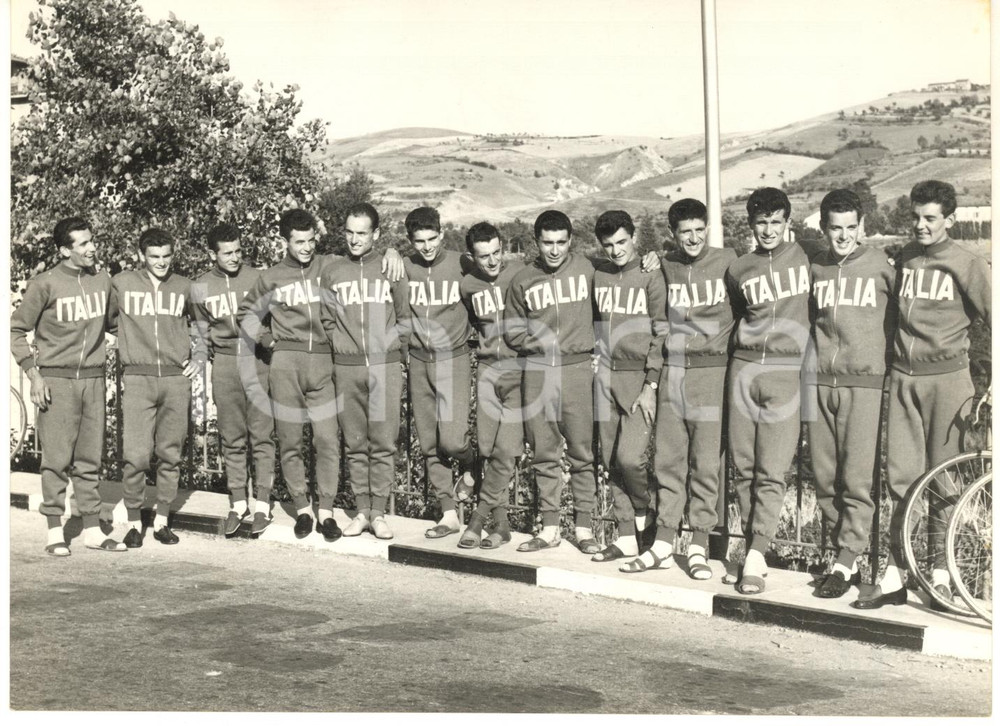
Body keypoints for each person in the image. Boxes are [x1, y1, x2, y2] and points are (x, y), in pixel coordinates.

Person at [853, 180, 991, 610]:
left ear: (949, 220)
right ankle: (895, 574)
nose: (921, 225)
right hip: (904, 380)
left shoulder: (968, 263)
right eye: (916, 217)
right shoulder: (907, 258)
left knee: (944, 480)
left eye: (930, 218)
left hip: (948, 382)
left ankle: (940, 575)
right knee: (901, 478)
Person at [238, 209, 403, 541]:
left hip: (326, 363)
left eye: (311, 240)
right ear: (285, 242)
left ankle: (325, 511)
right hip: (286, 364)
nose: (306, 247)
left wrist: (392, 250)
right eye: (299, 242)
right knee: (290, 440)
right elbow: (246, 314)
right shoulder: (271, 277)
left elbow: (364, 261)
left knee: (328, 439)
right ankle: (302, 508)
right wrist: (271, 343)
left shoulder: (330, 266)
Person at [621, 199, 736, 578]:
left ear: (707, 229)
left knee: (705, 463)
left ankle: (700, 545)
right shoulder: (665, 265)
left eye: (699, 229)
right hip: (673, 373)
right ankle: (665, 543)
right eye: (685, 231)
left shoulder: (728, 262)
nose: (693, 237)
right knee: (668, 462)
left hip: (712, 373)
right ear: (674, 234)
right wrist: (652, 258)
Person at [11, 217, 126, 555]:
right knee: (57, 459)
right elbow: (16, 331)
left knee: (90, 459)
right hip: (56, 381)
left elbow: (117, 324)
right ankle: (53, 532)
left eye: (92, 241)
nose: (92, 248)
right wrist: (34, 375)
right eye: (83, 244)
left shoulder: (103, 281)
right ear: (64, 250)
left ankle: (92, 528)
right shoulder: (44, 284)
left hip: (92, 379)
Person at [806, 190, 896, 599]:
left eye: (850, 228)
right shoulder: (817, 266)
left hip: (864, 383)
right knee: (825, 478)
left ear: (862, 226)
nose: (843, 236)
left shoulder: (881, 264)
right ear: (824, 228)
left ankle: (846, 560)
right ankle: (842, 558)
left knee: (856, 478)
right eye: (834, 228)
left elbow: (902, 315)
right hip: (821, 382)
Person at [724, 188, 812, 594]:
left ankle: (757, 554)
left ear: (788, 223)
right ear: (751, 225)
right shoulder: (739, 269)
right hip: (743, 370)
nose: (769, 230)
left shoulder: (807, 256)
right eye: (761, 222)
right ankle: (748, 545)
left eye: (776, 222)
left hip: (785, 372)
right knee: (743, 466)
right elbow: (734, 316)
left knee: (772, 468)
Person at [504, 210, 603, 553]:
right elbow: (513, 329)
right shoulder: (523, 279)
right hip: (538, 370)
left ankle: (584, 527)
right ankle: (549, 527)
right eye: (548, 242)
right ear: (537, 242)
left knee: (581, 453)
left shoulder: (589, 269)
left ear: (570, 241)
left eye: (561, 242)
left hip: (577, 369)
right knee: (544, 451)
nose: (555, 250)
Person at [319, 203, 408, 540]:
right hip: (347, 369)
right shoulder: (334, 271)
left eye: (362, 233)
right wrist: (341, 342)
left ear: (376, 234)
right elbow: (327, 318)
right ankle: (361, 511)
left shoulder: (390, 268)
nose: (354, 240)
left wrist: (392, 348)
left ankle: (379, 513)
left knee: (383, 443)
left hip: (384, 367)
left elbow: (404, 315)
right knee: (355, 445)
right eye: (349, 232)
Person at [108, 228, 202, 547]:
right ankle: (134, 522)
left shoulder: (185, 286)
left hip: (176, 379)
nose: (161, 262)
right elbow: (108, 318)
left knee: (170, 453)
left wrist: (199, 357)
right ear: (141, 256)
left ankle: (162, 521)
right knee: (136, 455)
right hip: (138, 378)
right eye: (154, 257)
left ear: (173, 254)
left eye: (166, 256)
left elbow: (203, 324)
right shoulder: (122, 283)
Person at [589, 211, 667, 564]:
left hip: (638, 377)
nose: (616, 250)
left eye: (622, 242)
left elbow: (661, 333)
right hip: (606, 374)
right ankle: (625, 537)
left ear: (634, 237)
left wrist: (651, 382)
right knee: (609, 460)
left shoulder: (652, 273)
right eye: (608, 245)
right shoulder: (599, 273)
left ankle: (645, 511)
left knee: (630, 458)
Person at [190, 223, 276, 537]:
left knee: (262, 435)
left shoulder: (257, 278)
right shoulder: (200, 286)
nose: (235, 257)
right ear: (212, 254)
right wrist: (205, 356)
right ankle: (238, 502)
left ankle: (263, 505)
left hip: (257, 360)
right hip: (225, 362)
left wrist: (268, 339)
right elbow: (201, 329)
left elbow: (276, 317)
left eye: (238, 250)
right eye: (227, 252)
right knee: (232, 436)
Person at [401, 207, 477, 540]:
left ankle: (474, 465)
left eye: (433, 238)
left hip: (453, 358)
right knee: (429, 442)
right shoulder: (404, 266)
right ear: (410, 240)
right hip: (419, 361)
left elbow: (498, 273)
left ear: (442, 234)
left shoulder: (462, 263)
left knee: (452, 439)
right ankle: (448, 513)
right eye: (420, 241)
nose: (427, 246)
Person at [457, 222, 525, 549]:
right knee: (485, 449)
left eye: (497, 252)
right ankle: (502, 527)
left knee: (506, 450)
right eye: (484, 256)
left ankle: (477, 518)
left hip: (519, 372)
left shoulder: (521, 274)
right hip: (486, 370)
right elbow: (473, 321)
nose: (493, 261)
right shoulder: (468, 285)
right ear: (473, 256)